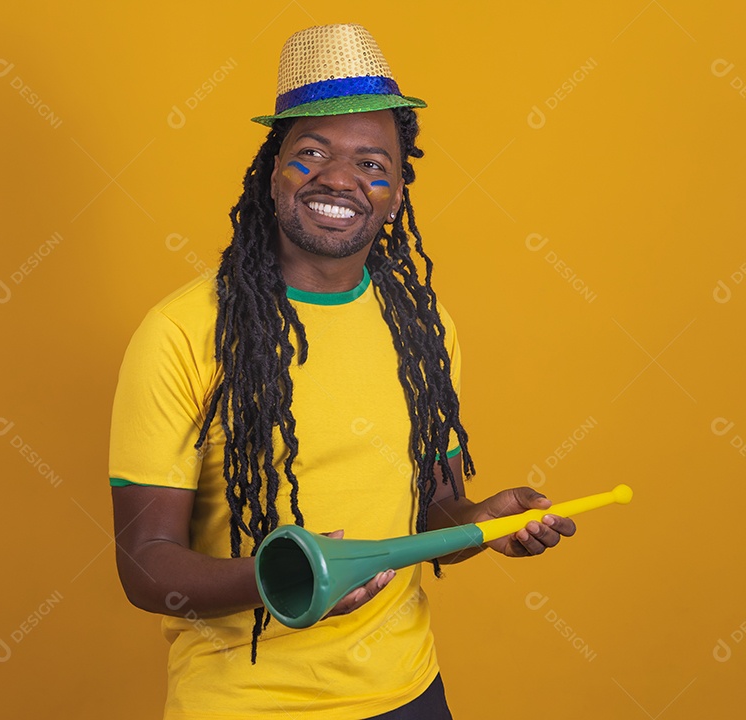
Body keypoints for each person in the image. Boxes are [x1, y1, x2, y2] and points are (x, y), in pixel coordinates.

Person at [109, 23, 576, 720]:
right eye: (312, 153)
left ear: (394, 194)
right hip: (246, 705)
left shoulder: (424, 327)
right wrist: (289, 578)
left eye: (371, 165)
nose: (340, 179)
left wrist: (478, 523)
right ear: (273, 172)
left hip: (409, 693)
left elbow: (434, 507)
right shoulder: (180, 332)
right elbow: (145, 561)